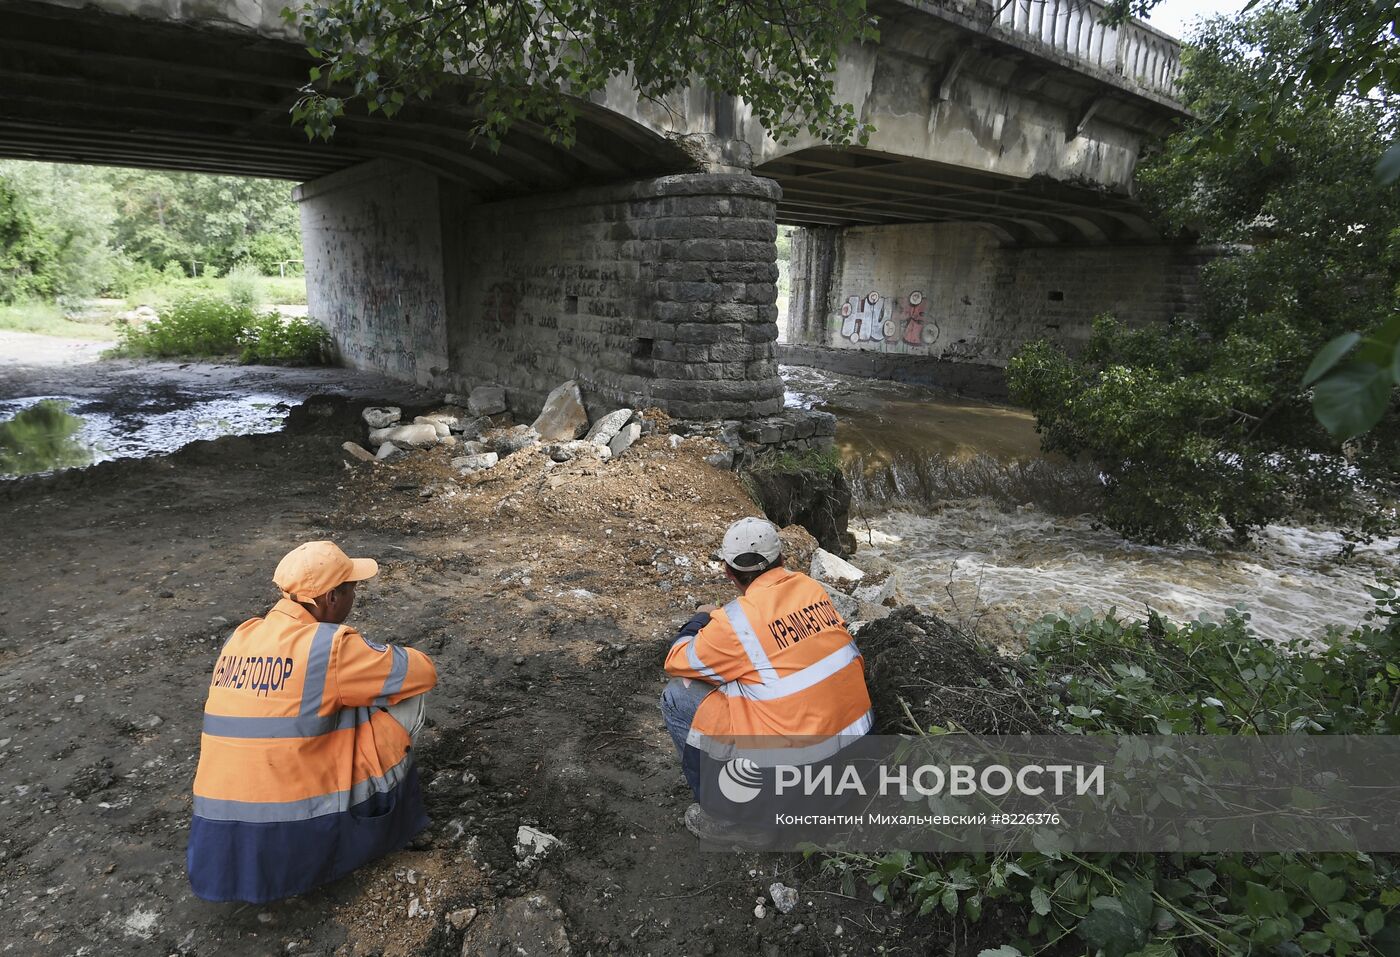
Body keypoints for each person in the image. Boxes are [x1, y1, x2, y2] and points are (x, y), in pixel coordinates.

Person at [188, 541, 437, 903]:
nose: (355, 598)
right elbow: (422, 671)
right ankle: (375, 821)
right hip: (299, 837)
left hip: (219, 848)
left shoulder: (239, 638)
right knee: (404, 698)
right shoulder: (329, 647)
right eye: (351, 589)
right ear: (331, 598)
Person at [661, 517, 873, 846]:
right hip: (855, 767)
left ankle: (736, 818)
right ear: (781, 561)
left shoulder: (735, 622)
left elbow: (676, 660)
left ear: (729, 573)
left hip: (796, 791)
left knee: (679, 695)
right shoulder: (811, 589)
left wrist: (701, 618)